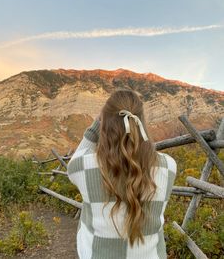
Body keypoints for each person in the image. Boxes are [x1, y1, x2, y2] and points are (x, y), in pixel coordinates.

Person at [67, 89, 177, 259]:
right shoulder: (169, 166)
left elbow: (79, 153)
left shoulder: (81, 166)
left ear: (104, 124)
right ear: (142, 123)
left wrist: (96, 125)